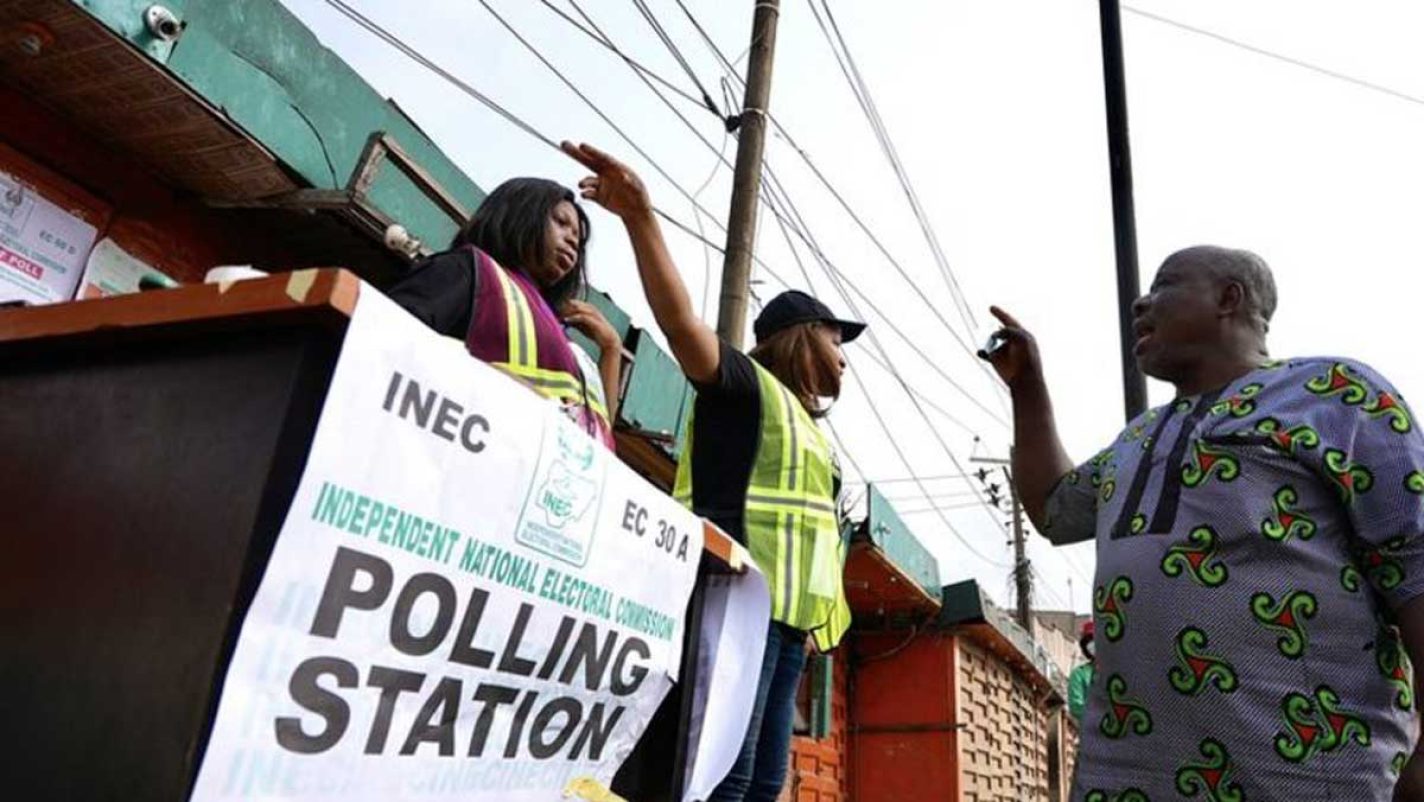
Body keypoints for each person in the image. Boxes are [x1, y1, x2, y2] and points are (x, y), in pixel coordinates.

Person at [986, 245, 1424, 800]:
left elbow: (1414, 562)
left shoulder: (1334, 395)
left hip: (1307, 773)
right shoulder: (1138, 438)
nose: (1140, 303)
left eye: (1164, 285)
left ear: (1229, 298)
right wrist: (1026, 386)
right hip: (1129, 778)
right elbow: (1055, 506)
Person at [561, 140, 860, 802]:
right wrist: (640, 217)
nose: (845, 359)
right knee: (718, 780)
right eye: (838, 341)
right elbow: (679, 323)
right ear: (806, 336)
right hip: (734, 609)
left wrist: (811, 631)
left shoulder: (813, 433)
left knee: (761, 782)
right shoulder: (744, 388)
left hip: (789, 631)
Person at [386, 177, 622, 448]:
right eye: (561, 222)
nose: (571, 240)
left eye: (579, 241)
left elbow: (598, 438)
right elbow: (389, 337)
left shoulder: (569, 347)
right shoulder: (472, 271)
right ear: (521, 214)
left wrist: (612, 349)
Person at [1067, 620, 1095, 723]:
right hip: (1093, 733)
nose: (1094, 644)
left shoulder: (1121, 671)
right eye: (1090, 641)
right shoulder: (1079, 674)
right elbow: (1075, 706)